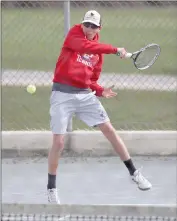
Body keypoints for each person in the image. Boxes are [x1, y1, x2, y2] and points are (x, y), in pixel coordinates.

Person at [47, 10, 152, 204]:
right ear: (82, 24)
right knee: (59, 142)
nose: (89, 28)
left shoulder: (97, 54)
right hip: (62, 94)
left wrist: (100, 89)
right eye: (87, 24)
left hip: (85, 95)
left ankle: (134, 173)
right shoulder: (74, 34)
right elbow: (84, 46)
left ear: (99, 28)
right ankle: (52, 190)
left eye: (93, 26)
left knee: (109, 130)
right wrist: (114, 49)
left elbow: (91, 79)